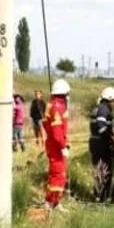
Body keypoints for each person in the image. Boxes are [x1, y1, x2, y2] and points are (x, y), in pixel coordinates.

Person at [43, 79, 71, 211]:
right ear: (63, 94)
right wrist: (62, 147)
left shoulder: (54, 105)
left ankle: (54, 201)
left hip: (55, 143)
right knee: (58, 174)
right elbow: (56, 131)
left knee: (57, 173)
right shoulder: (57, 107)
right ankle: (50, 202)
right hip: (56, 145)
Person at [89, 87, 114, 202]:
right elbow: (102, 129)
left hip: (97, 143)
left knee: (100, 170)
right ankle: (101, 197)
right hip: (100, 144)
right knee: (104, 171)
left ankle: (100, 196)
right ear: (109, 99)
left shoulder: (100, 108)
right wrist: (112, 138)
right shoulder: (103, 109)